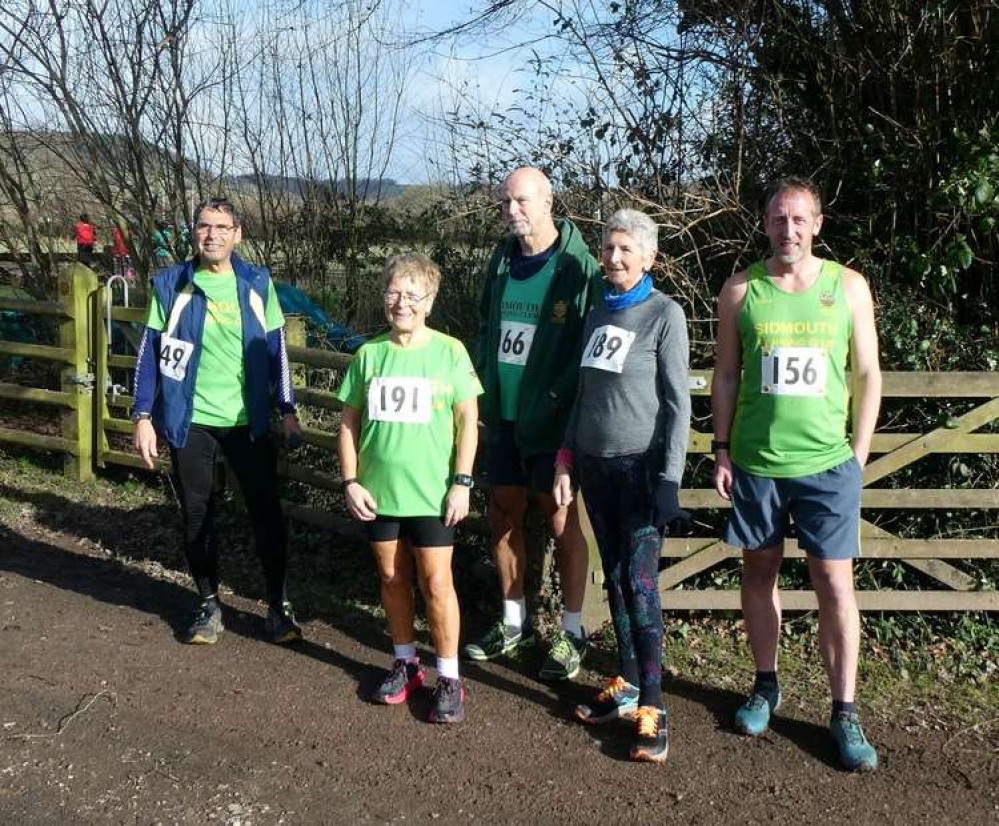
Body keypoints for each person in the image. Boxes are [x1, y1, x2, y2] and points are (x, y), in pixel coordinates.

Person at [712, 177, 882, 772]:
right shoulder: (739, 290)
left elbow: (867, 374)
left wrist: (858, 454)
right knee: (759, 572)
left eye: (800, 219)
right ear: (765, 224)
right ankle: (766, 684)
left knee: (835, 585)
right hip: (758, 464)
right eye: (779, 219)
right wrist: (723, 449)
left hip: (827, 465)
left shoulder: (848, 287)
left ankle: (845, 710)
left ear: (817, 224)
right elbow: (727, 375)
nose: (789, 230)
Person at [132, 196, 302, 646]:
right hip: (193, 422)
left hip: (249, 422)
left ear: (237, 234)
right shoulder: (172, 285)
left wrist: (286, 408)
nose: (213, 235)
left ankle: (278, 607)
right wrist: (143, 416)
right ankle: (208, 602)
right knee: (197, 514)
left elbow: (276, 348)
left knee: (267, 514)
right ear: (194, 232)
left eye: (222, 227)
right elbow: (150, 352)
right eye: (205, 226)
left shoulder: (256, 283)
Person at [554, 209, 690, 762]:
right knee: (612, 576)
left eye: (625, 250)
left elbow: (680, 404)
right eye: (608, 249)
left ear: (649, 258)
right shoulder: (595, 314)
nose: (612, 259)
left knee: (641, 584)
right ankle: (628, 682)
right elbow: (584, 394)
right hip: (594, 466)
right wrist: (566, 457)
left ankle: (654, 706)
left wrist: (670, 479)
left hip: (640, 471)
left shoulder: (665, 314)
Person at [463, 166, 603, 682]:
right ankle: (513, 621)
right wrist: (483, 375)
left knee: (562, 521)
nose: (512, 211)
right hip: (503, 415)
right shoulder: (501, 260)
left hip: (553, 422)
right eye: (505, 203)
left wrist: (556, 396)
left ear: (548, 202)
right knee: (502, 513)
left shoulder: (577, 266)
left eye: (521, 201)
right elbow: (486, 325)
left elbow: (590, 344)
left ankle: (571, 632)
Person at [337, 253, 481, 724]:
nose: (401, 303)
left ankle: (450, 677)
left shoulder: (450, 351)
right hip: (379, 493)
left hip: (434, 494)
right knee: (391, 579)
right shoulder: (369, 355)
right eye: (393, 293)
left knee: (437, 582)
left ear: (430, 301)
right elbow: (348, 423)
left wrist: (462, 483)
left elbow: (468, 421)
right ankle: (405, 662)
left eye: (412, 295)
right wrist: (351, 481)